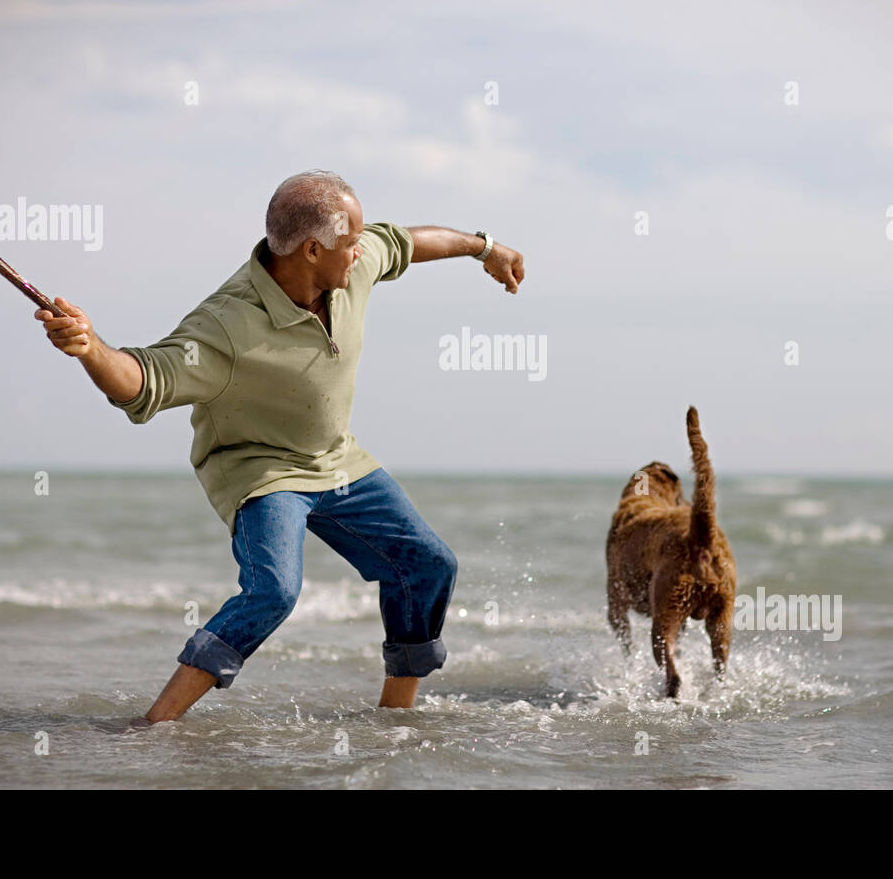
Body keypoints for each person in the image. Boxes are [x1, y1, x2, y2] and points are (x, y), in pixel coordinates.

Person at [34, 169, 525, 722]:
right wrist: (89, 348)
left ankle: (395, 720)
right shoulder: (225, 325)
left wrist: (484, 247)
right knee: (274, 590)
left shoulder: (353, 265)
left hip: (335, 458)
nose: (362, 249)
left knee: (427, 564)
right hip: (261, 469)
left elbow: (408, 242)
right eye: (350, 241)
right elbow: (142, 380)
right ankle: (153, 724)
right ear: (313, 249)